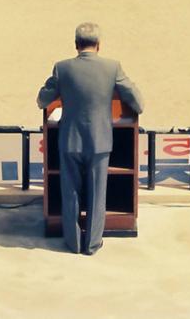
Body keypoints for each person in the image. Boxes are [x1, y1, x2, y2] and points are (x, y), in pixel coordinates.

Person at [35, 23, 144, 256]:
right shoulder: (112, 67)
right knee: (97, 194)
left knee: (70, 192)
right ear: (99, 45)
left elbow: (43, 100)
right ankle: (93, 243)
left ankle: (72, 242)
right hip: (100, 140)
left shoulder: (62, 68)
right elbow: (136, 100)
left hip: (70, 140)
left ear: (76, 45)